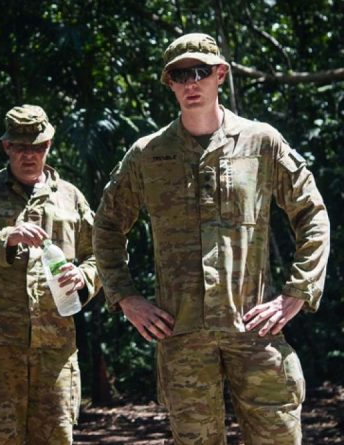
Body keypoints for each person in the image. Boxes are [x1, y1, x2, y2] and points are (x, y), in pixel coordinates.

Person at [92, 33, 330, 444]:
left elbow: (312, 214)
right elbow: (107, 225)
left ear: (221, 74)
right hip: (181, 334)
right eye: (180, 74)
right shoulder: (148, 155)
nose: (191, 82)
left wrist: (297, 293)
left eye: (201, 71)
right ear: (169, 83)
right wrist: (126, 297)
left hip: (255, 329)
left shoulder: (261, 142)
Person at [0, 105, 100, 444]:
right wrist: (4, 239)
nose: (30, 155)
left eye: (38, 147)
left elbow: (101, 255)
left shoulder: (70, 197)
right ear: (7, 147)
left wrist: (85, 277)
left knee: (57, 438)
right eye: (21, 148)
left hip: (55, 349)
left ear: (50, 145)